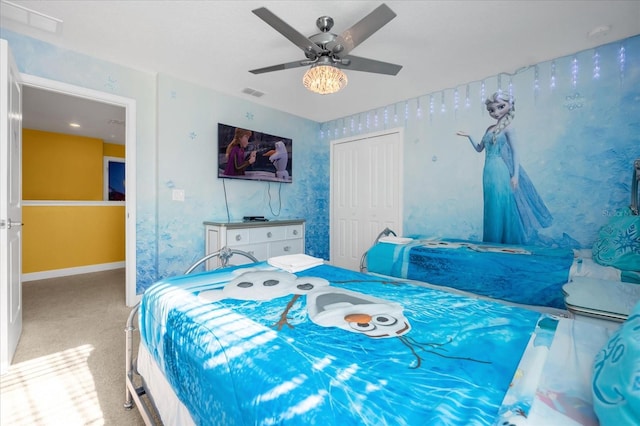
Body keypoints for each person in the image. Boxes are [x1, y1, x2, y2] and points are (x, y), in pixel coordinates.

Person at [457, 92, 552, 245]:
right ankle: (491, 241)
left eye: (500, 107)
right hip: (488, 171)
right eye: (492, 110)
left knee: (502, 203)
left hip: (500, 170)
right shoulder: (489, 128)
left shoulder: (508, 128)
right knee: (491, 205)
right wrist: (469, 136)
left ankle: (505, 241)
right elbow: (479, 148)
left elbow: (515, 152)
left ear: (509, 106)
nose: (496, 112)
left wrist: (515, 175)